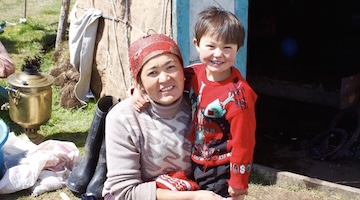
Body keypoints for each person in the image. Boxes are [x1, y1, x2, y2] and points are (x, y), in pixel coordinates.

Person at [132, 6, 257, 200]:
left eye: (227, 48)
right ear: (197, 44)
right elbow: (166, 83)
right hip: (197, 160)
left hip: (221, 167)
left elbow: (244, 141)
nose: (218, 54)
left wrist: (239, 180)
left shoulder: (239, 96)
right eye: (211, 46)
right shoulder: (193, 74)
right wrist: (137, 91)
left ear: (238, 49)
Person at [102, 33, 224, 200]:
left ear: (183, 71)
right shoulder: (124, 119)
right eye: (152, 73)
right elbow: (123, 193)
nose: (165, 78)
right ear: (139, 82)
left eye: (171, 67)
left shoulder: (202, 106)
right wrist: (193, 197)